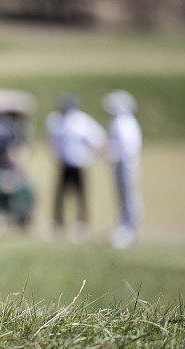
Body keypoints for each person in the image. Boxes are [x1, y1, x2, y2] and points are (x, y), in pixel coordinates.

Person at [46, 93, 106, 241]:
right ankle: (58, 224)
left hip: (79, 164)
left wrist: (93, 155)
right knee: (60, 195)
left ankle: (82, 224)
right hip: (63, 163)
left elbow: (97, 138)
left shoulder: (81, 121)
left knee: (81, 196)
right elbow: (51, 141)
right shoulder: (55, 120)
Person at [102, 90, 142, 249]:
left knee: (129, 197)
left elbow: (125, 146)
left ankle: (129, 228)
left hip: (126, 164)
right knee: (122, 196)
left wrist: (113, 158)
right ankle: (124, 226)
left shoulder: (124, 122)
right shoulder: (121, 121)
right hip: (121, 164)